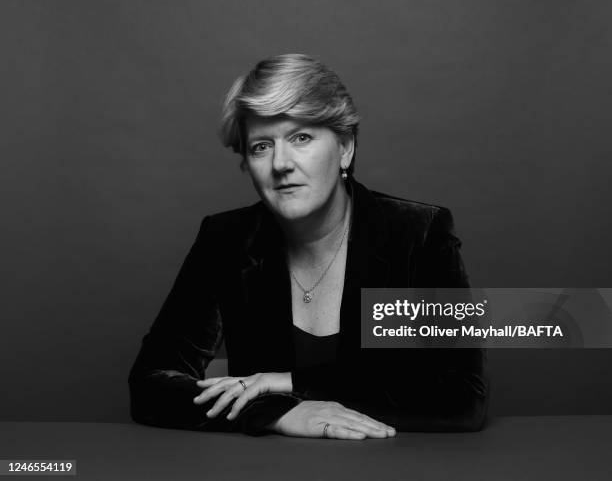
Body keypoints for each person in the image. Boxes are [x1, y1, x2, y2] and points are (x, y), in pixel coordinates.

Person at [128, 53, 488, 439]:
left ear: (345, 147)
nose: (281, 163)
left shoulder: (416, 234)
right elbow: (151, 384)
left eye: (301, 138)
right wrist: (276, 414)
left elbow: (462, 396)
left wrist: (289, 383)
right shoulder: (226, 239)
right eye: (261, 146)